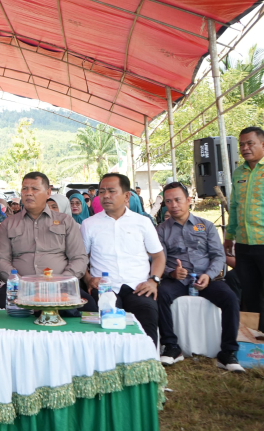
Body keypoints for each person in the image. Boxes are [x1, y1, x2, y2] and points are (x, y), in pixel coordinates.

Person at [156, 182, 243, 371]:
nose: (173, 205)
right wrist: (171, 272)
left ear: (188, 200)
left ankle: (227, 352)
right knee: (160, 294)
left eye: (178, 200)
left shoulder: (206, 226)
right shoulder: (161, 230)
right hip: (176, 279)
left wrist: (209, 276)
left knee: (230, 298)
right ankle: (171, 346)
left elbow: (218, 256)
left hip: (205, 278)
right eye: (168, 201)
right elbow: (158, 259)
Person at [0, 172, 94, 311]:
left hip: (61, 288)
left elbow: (79, 258)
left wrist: (61, 282)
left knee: (91, 308)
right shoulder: (8, 224)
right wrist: (20, 282)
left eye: (35, 189)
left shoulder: (65, 221)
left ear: (48, 192)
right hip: (19, 289)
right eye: (24, 189)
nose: (28, 193)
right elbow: (1, 259)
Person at [81, 174, 165, 345]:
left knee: (147, 316)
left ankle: (147, 364)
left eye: (111, 191)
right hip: (104, 287)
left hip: (139, 286)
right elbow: (81, 259)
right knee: (106, 327)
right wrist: (88, 278)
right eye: (102, 191)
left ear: (127, 196)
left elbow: (158, 256)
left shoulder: (143, 222)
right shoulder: (89, 224)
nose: (105, 196)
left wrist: (154, 280)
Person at [223, 126, 264, 332]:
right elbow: (235, 206)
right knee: (250, 292)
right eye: (241, 144)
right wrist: (229, 236)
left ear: (262, 144)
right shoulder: (239, 172)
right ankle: (256, 339)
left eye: (250, 143)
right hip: (244, 245)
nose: (245, 148)